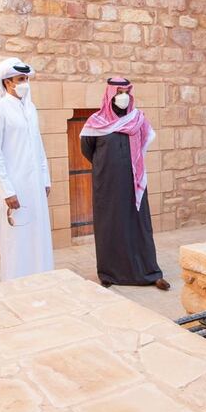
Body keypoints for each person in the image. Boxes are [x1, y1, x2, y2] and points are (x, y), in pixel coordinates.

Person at [80, 77, 170, 290]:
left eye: (126, 92)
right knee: (110, 225)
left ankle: (150, 272)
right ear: (110, 96)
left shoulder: (138, 119)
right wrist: (109, 166)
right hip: (108, 183)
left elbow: (145, 143)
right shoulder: (96, 122)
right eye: (118, 92)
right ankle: (109, 273)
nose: (123, 97)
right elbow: (87, 149)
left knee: (139, 224)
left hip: (134, 182)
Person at [0, 57, 54, 280]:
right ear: (7, 83)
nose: (25, 82)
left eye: (26, 78)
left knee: (37, 235)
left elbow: (38, 146)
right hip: (14, 187)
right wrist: (8, 190)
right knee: (17, 239)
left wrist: (45, 179)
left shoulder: (30, 108)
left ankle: (41, 280)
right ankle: (16, 284)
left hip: (35, 186)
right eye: (20, 79)